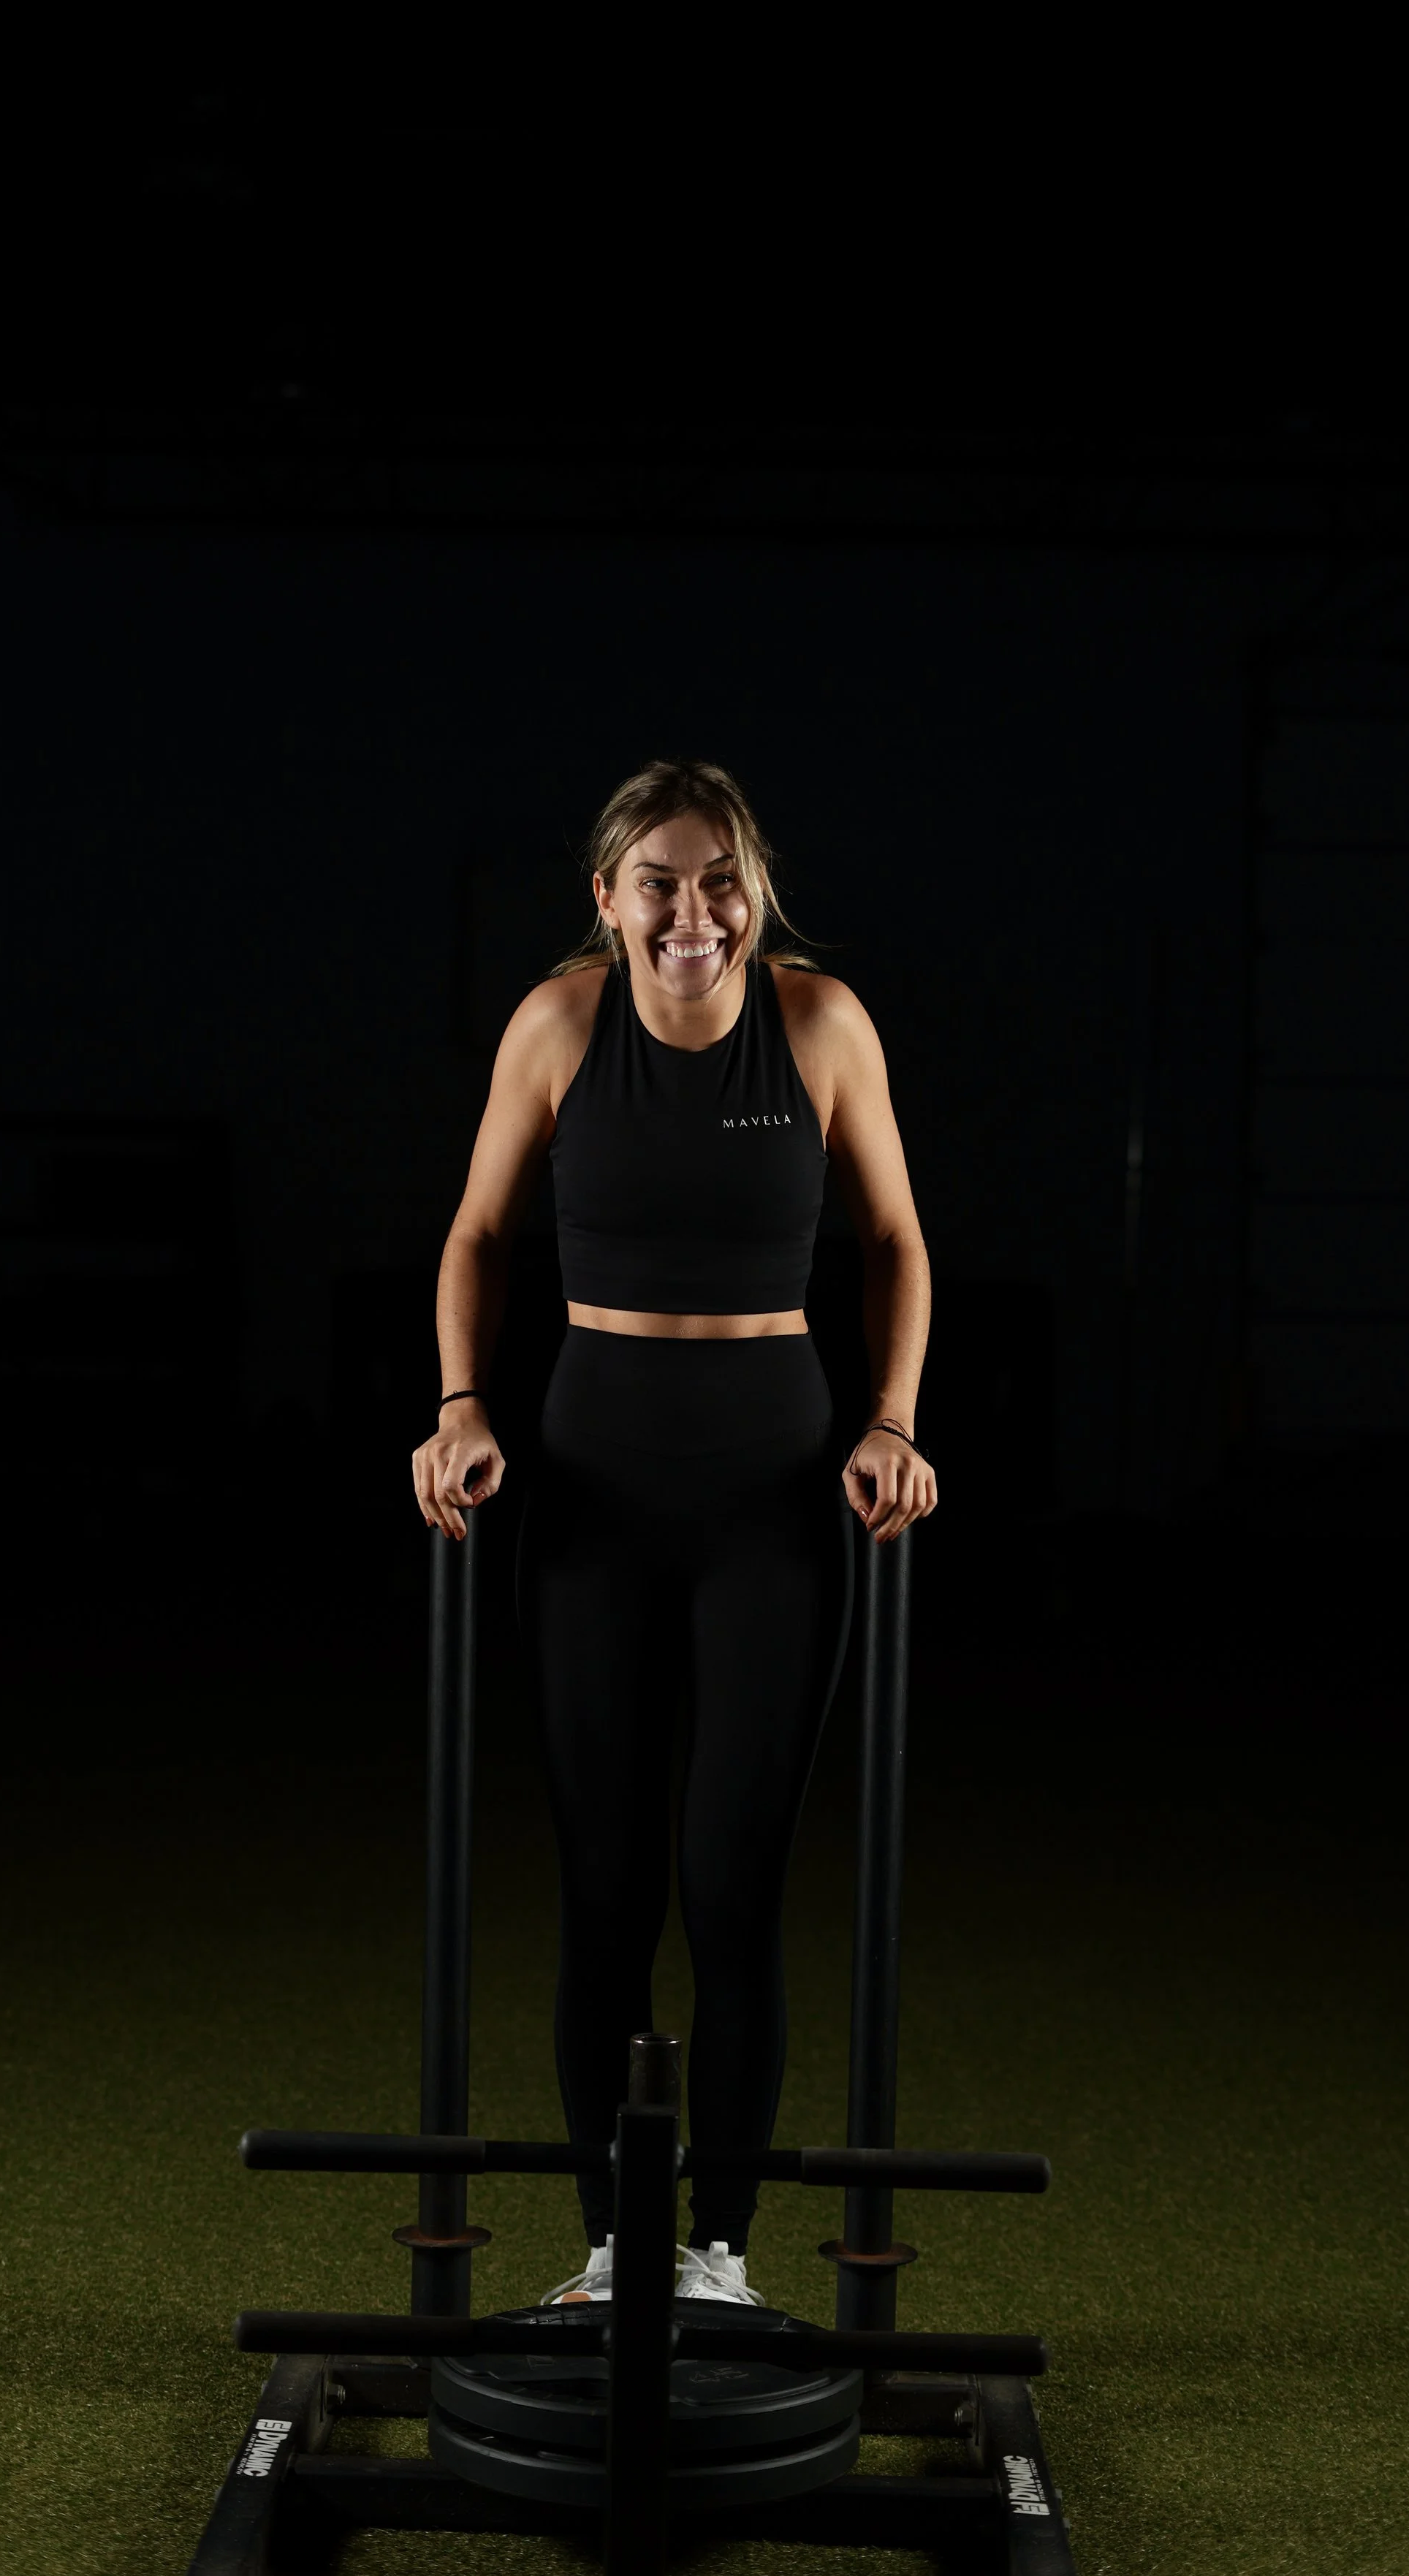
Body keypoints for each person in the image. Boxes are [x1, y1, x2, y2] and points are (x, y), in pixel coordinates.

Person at [411, 759, 935, 2306]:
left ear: (753, 892)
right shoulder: (557, 1024)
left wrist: (893, 1420)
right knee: (605, 1885)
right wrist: (457, 1404)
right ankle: (602, 2249)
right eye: (660, 881)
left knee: (729, 1889)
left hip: (770, 1499)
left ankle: (711, 2253)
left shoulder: (821, 1023)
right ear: (607, 896)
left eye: (720, 882)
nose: (692, 913)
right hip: (587, 1491)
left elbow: (896, 1239)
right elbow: (476, 1235)